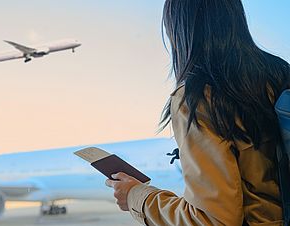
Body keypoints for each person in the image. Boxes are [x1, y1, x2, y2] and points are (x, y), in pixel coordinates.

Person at [105, 0, 290, 225]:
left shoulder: (198, 96)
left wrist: (136, 196)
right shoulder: (281, 72)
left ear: (178, 28)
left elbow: (212, 219)